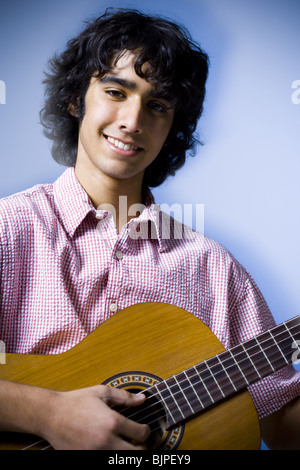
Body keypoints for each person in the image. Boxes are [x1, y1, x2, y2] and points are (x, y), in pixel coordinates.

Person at [0, 9, 299, 450]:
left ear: (172, 127)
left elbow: (282, 424)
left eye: (157, 105)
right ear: (75, 99)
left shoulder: (214, 270)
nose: (133, 120)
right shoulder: (9, 231)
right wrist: (48, 413)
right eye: (116, 91)